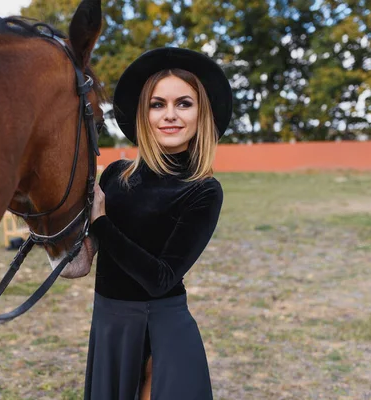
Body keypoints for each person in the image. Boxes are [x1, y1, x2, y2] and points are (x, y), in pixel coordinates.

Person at [83, 47, 233, 400]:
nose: (170, 115)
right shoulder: (117, 174)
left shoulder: (203, 190)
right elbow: (79, 260)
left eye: (184, 103)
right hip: (109, 324)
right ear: (144, 114)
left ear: (201, 114)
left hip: (162, 329)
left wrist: (101, 223)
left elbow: (161, 278)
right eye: (157, 104)